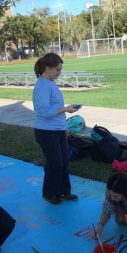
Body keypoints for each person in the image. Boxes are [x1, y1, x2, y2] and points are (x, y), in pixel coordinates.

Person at [33, 52, 79, 205]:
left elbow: (56, 107)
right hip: (46, 132)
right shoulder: (41, 85)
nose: (60, 73)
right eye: (58, 70)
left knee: (64, 162)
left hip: (57, 130)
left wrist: (64, 126)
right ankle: (49, 193)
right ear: (47, 68)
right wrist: (66, 109)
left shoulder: (51, 82)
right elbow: (45, 112)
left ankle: (64, 191)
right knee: (55, 164)